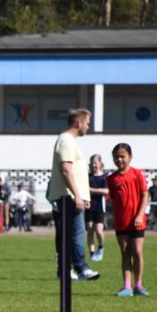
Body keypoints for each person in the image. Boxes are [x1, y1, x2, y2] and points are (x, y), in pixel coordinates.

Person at [48, 108, 100, 281]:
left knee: (70, 234)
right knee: (76, 234)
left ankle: (65, 270)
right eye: (87, 123)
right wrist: (77, 195)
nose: (88, 127)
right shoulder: (67, 141)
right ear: (79, 122)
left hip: (72, 196)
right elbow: (66, 169)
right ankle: (80, 268)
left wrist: (84, 196)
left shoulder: (69, 141)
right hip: (69, 197)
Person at [106, 143, 149, 297]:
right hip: (121, 222)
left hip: (137, 221)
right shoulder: (111, 179)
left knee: (137, 252)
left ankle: (138, 285)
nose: (119, 159)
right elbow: (113, 198)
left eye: (122, 156)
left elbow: (145, 195)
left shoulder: (138, 174)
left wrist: (139, 215)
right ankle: (127, 287)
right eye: (116, 157)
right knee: (125, 253)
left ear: (130, 157)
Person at [86, 154, 109, 261]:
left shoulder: (104, 177)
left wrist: (92, 190)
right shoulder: (88, 177)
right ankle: (92, 254)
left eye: (95, 163)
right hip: (89, 206)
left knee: (99, 230)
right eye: (92, 163)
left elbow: (106, 191)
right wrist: (97, 191)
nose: (93, 165)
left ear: (100, 164)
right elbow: (84, 190)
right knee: (90, 230)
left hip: (100, 206)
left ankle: (101, 247)